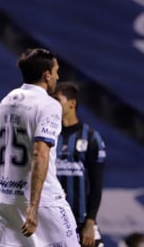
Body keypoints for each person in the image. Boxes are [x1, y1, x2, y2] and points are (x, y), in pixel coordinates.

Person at [0, 48, 80, 246]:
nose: (57, 76)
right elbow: (40, 154)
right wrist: (33, 206)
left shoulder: (6, 101)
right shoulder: (49, 105)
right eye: (56, 71)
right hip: (43, 201)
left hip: (5, 199)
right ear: (47, 75)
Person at [53, 82, 107, 247]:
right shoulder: (49, 136)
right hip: (54, 220)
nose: (53, 104)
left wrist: (90, 223)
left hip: (82, 222)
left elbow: (96, 185)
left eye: (57, 100)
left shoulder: (91, 138)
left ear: (72, 103)